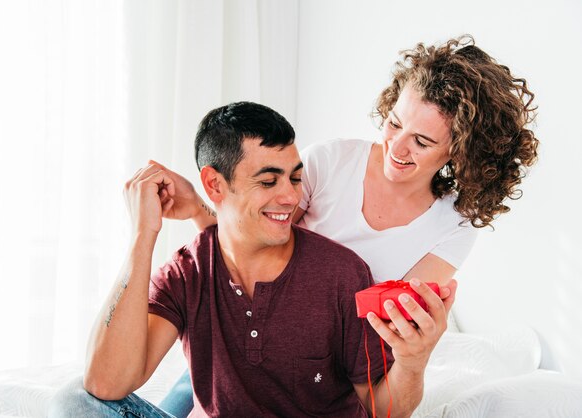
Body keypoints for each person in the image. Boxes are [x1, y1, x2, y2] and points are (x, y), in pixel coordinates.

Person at [157, 35, 539, 416]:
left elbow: (391, 330)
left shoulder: (454, 225)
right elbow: (248, 239)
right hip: (244, 348)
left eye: (421, 141)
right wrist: (197, 209)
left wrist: (414, 355)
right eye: (394, 124)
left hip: (327, 373)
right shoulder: (331, 161)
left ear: (460, 150)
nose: (397, 147)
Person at [48, 101, 455, 417]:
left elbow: (382, 411)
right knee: (74, 402)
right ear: (214, 184)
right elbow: (105, 382)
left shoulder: (342, 273)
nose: (291, 197)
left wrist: (412, 361)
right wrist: (143, 235)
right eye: (268, 180)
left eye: (294, 177)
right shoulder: (187, 271)